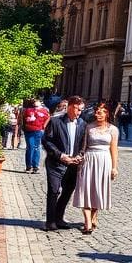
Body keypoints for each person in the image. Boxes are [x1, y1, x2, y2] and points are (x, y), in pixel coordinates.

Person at [42, 95, 87, 231]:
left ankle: (59, 217)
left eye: (81, 110)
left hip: (73, 164)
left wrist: (80, 155)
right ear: (70, 106)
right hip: (56, 163)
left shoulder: (82, 124)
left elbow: (83, 143)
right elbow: (46, 141)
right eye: (77, 109)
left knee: (68, 191)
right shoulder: (55, 121)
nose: (79, 112)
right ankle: (50, 221)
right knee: (54, 191)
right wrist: (60, 156)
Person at [73, 102, 119, 234]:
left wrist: (114, 167)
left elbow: (114, 150)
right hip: (89, 159)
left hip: (104, 161)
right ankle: (87, 223)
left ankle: (94, 216)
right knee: (86, 190)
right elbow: (84, 146)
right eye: (97, 111)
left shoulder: (113, 129)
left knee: (97, 191)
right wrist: (80, 160)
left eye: (101, 112)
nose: (98, 114)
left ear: (107, 114)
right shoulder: (89, 127)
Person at [22, 99, 50, 174]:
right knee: (31, 147)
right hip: (29, 131)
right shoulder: (28, 110)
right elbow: (23, 120)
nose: (36, 107)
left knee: (35, 147)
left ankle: (35, 166)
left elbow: (48, 118)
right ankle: (29, 166)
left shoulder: (44, 111)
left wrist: (44, 126)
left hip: (37, 131)